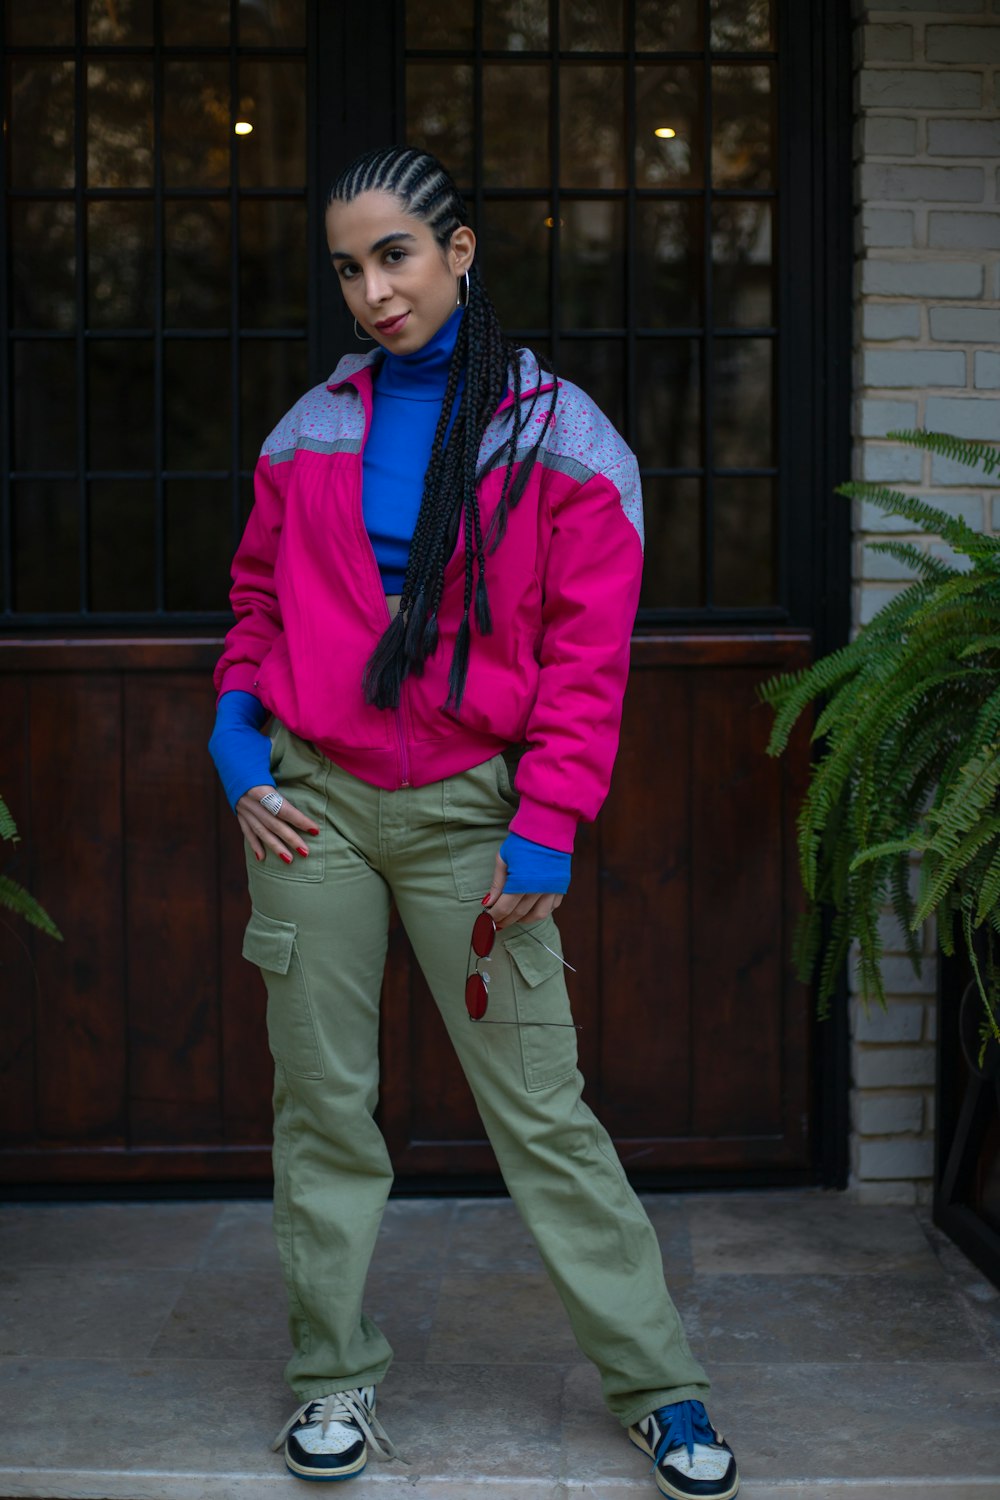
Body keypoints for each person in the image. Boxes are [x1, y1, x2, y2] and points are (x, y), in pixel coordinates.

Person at [209, 144, 739, 1500]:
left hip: (470, 821)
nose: (372, 289)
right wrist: (234, 736)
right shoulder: (309, 426)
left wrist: (548, 824)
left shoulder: (562, 436)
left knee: (542, 1114)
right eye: (348, 266)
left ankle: (660, 1386)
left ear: (461, 252)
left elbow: (585, 660)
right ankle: (331, 1383)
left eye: (395, 254)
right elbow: (260, 603)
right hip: (312, 807)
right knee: (322, 1110)